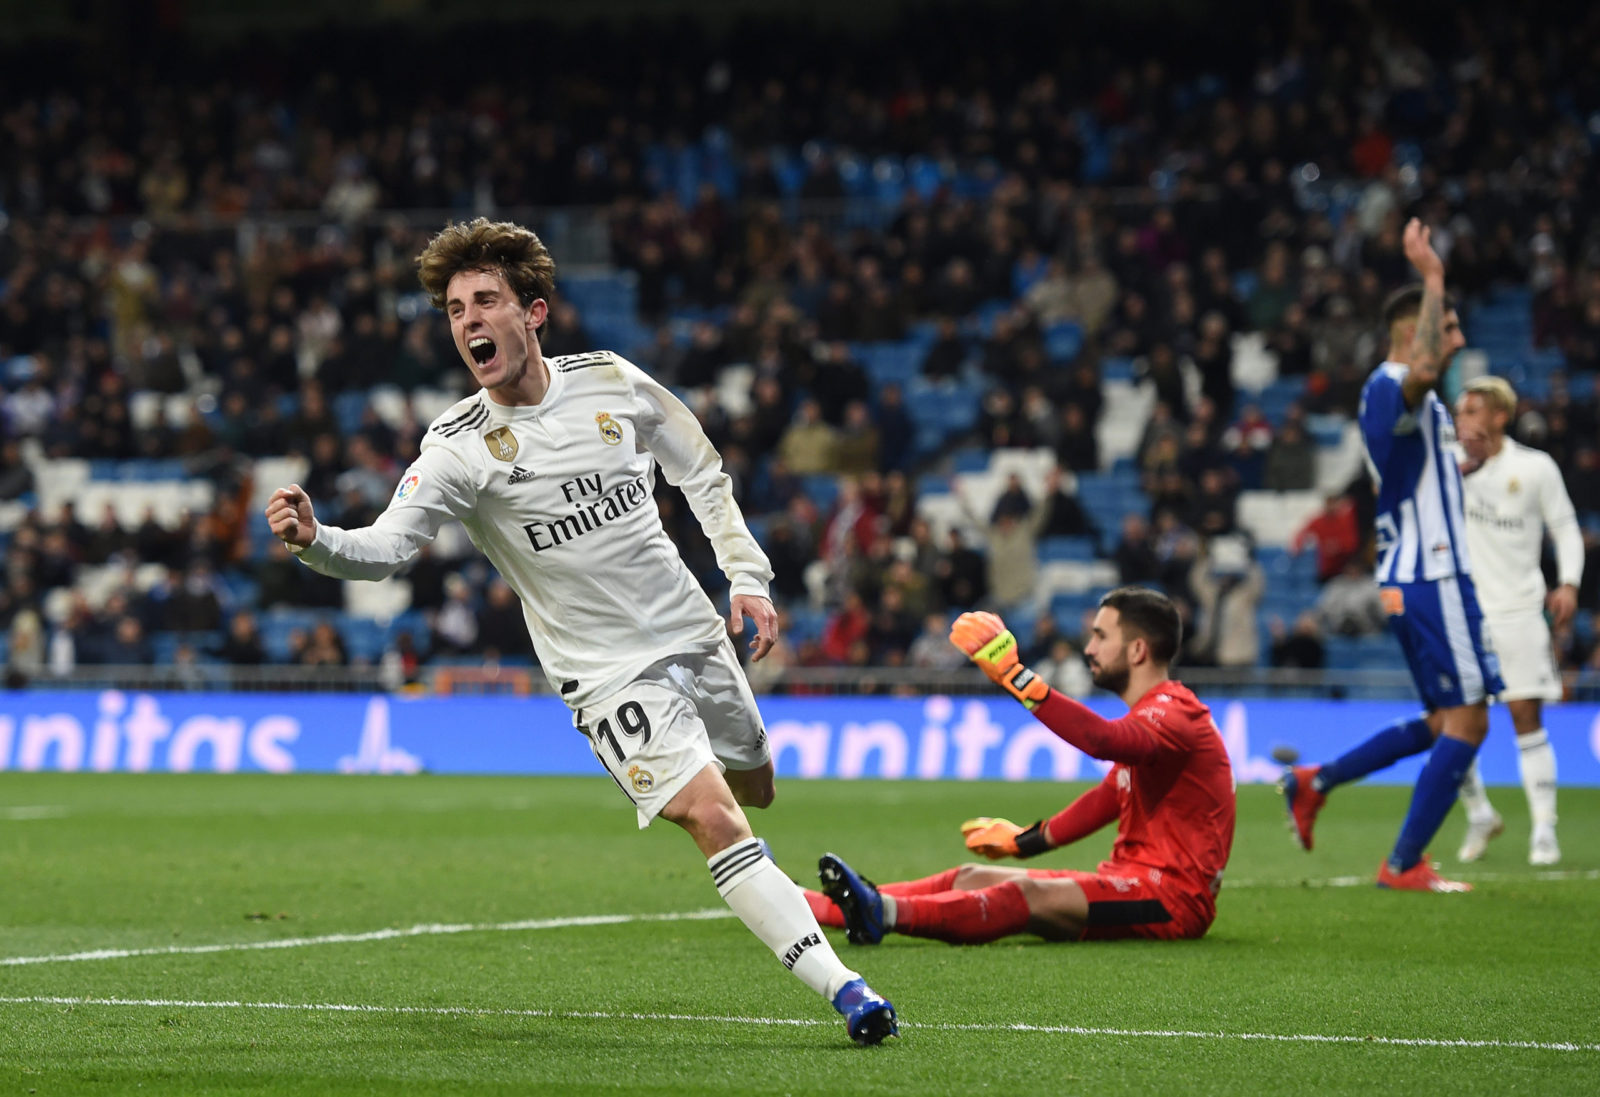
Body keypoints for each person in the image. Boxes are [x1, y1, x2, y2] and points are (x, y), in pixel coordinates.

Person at [263, 218, 895, 1045]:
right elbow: (386, 549)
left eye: (485, 300)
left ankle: (840, 909)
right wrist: (320, 542)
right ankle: (847, 991)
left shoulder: (611, 383)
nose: (468, 321)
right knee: (713, 818)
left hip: (693, 632)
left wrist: (747, 576)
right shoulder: (457, 448)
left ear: (534, 313)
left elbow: (700, 468)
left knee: (755, 787)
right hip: (605, 675)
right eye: (454, 309)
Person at [806, 587, 1235, 946]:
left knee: (1021, 893)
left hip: (1173, 899)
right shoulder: (1155, 721)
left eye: (1101, 636)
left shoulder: (1177, 714)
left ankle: (882, 913)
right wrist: (1020, 842)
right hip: (1133, 879)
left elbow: (1103, 741)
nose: (1089, 648)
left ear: (1138, 649)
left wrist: (1015, 676)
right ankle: (818, 906)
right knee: (973, 876)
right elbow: (1101, 804)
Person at [1281, 218, 1504, 892]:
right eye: (1449, 325)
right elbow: (1428, 366)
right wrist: (1433, 276)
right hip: (1433, 572)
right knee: (1470, 721)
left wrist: (1466, 465)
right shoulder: (1391, 383)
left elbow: (1415, 475)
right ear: (1414, 332)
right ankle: (1403, 863)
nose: (1459, 337)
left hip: (1413, 576)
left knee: (1442, 720)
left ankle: (1315, 780)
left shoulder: (1416, 401)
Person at [1450, 375, 1584, 865]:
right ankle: (1480, 814)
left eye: (1472, 410)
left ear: (1499, 415)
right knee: (1452, 722)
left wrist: (1568, 581)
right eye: (1460, 411)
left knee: (1526, 719)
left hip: (1520, 612)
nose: (1463, 418)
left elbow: (1565, 527)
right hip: (1463, 614)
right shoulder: (1450, 469)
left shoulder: (1534, 467)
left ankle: (1544, 831)